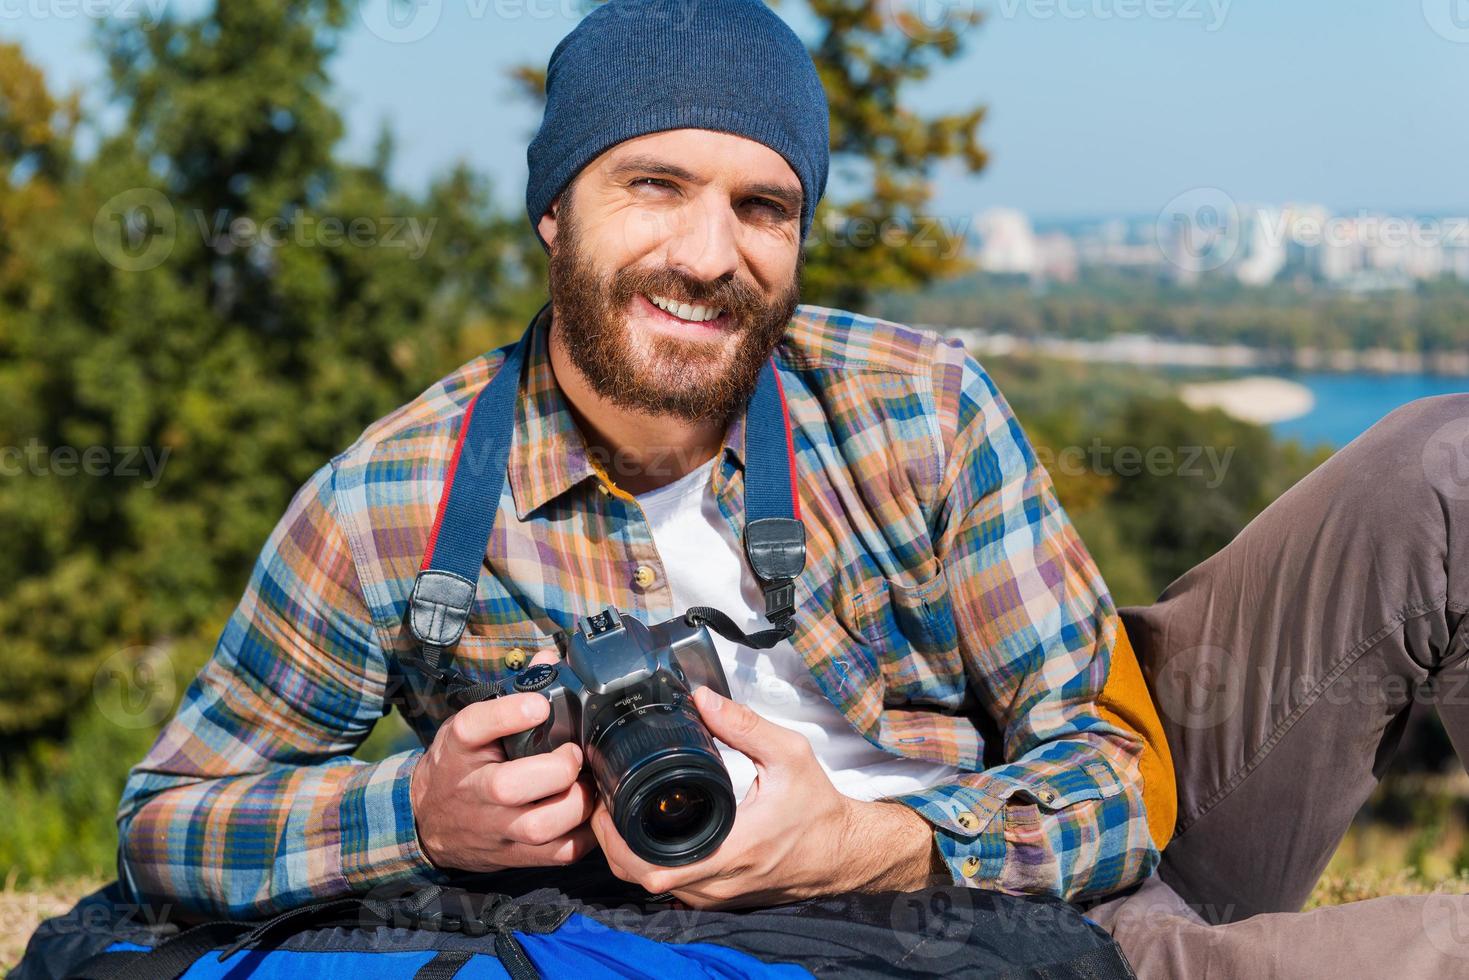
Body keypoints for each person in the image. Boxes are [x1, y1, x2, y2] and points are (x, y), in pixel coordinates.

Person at [115, 0, 1469, 974]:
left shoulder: (916, 407)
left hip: (1021, 878)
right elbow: (166, 825)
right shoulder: (395, 502)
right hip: (827, 955)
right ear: (552, 214)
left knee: (1446, 467)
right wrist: (411, 811)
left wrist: (874, 840)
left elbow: (1116, 783)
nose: (710, 255)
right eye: (654, 186)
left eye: (762, 207)